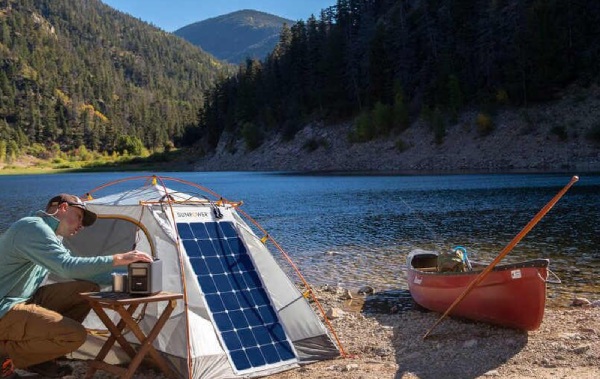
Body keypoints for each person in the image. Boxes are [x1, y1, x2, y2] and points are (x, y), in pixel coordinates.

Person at [0, 194, 153, 378]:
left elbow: (82, 271)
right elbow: (67, 266)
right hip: (4, 306)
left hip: (24, 299)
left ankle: (38, 358)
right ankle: (5, 358)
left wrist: (127, 281)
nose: (81, 226)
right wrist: (119, 258)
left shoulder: (53, 236)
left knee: (87, 288)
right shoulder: (32, 227)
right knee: (75, 335)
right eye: (79, 217)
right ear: (63, 208)